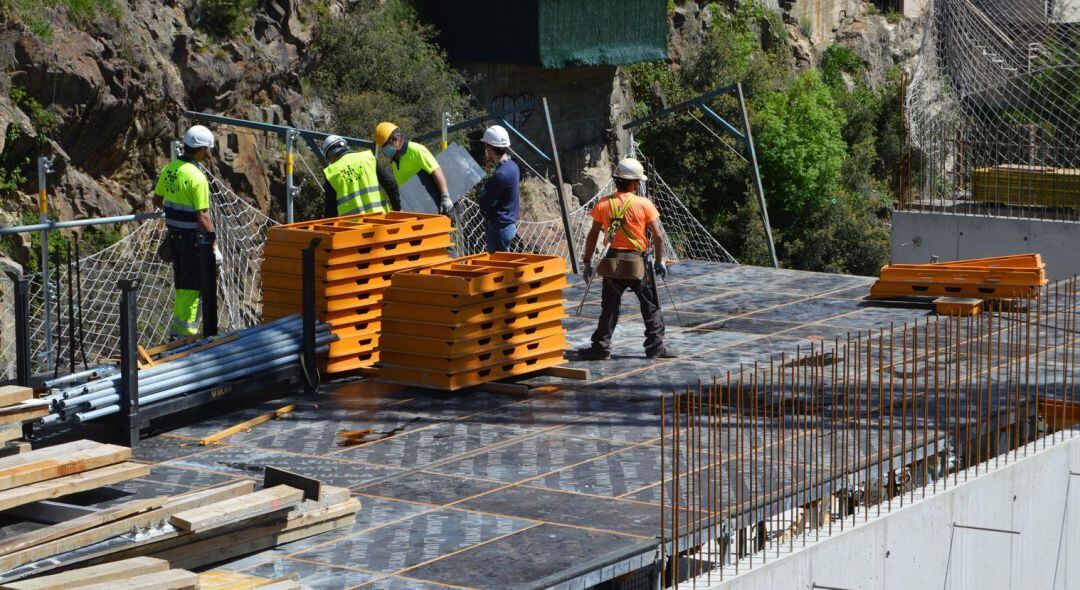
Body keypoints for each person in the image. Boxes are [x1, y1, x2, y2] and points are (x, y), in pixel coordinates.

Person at [577, 157, 676, 360]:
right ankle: (655, 347)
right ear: (633, 182)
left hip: (612, 263)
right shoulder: (644, 204)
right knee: (650, 306)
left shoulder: (604, 204)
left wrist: (587, 262)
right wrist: (660, 259)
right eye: (638, 181)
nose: (639, 184)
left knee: (609, 307)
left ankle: (601, 347)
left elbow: (593, 234)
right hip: (637, 264)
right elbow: (658, 235)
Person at [153, 125, 218, 338]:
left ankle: (178, 330)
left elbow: (157, 199)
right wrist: (213, 245)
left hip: (174, 238)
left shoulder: (169, 169)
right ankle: (185, 333)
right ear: (201, 150)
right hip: (193, 240)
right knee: (192, 286)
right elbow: (203, 216)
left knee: (182, 283)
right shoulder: (198, 178)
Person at [373, 121, 454, 215]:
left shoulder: (416, 150)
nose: (385, 150)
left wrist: (445, 197)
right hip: (422, 209)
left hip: (440, 206)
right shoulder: (395, 162)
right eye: (383, 148)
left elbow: (436, 170)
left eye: (385, 146)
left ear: (394, 139)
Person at [320, 135, 399, 218]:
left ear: (330, 155)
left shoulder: (332, 172)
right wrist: (397, 209)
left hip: (353, 227)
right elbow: (391, 184)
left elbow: (330, 209)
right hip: (382, 221)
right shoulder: (368, 158)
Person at [476, 125, 520, 252]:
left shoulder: (500, 174)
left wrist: (485, 186)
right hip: (509, 225)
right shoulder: (513, 166)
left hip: (499, 228)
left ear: (490, 149)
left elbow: (484, 201)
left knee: (498, 268)